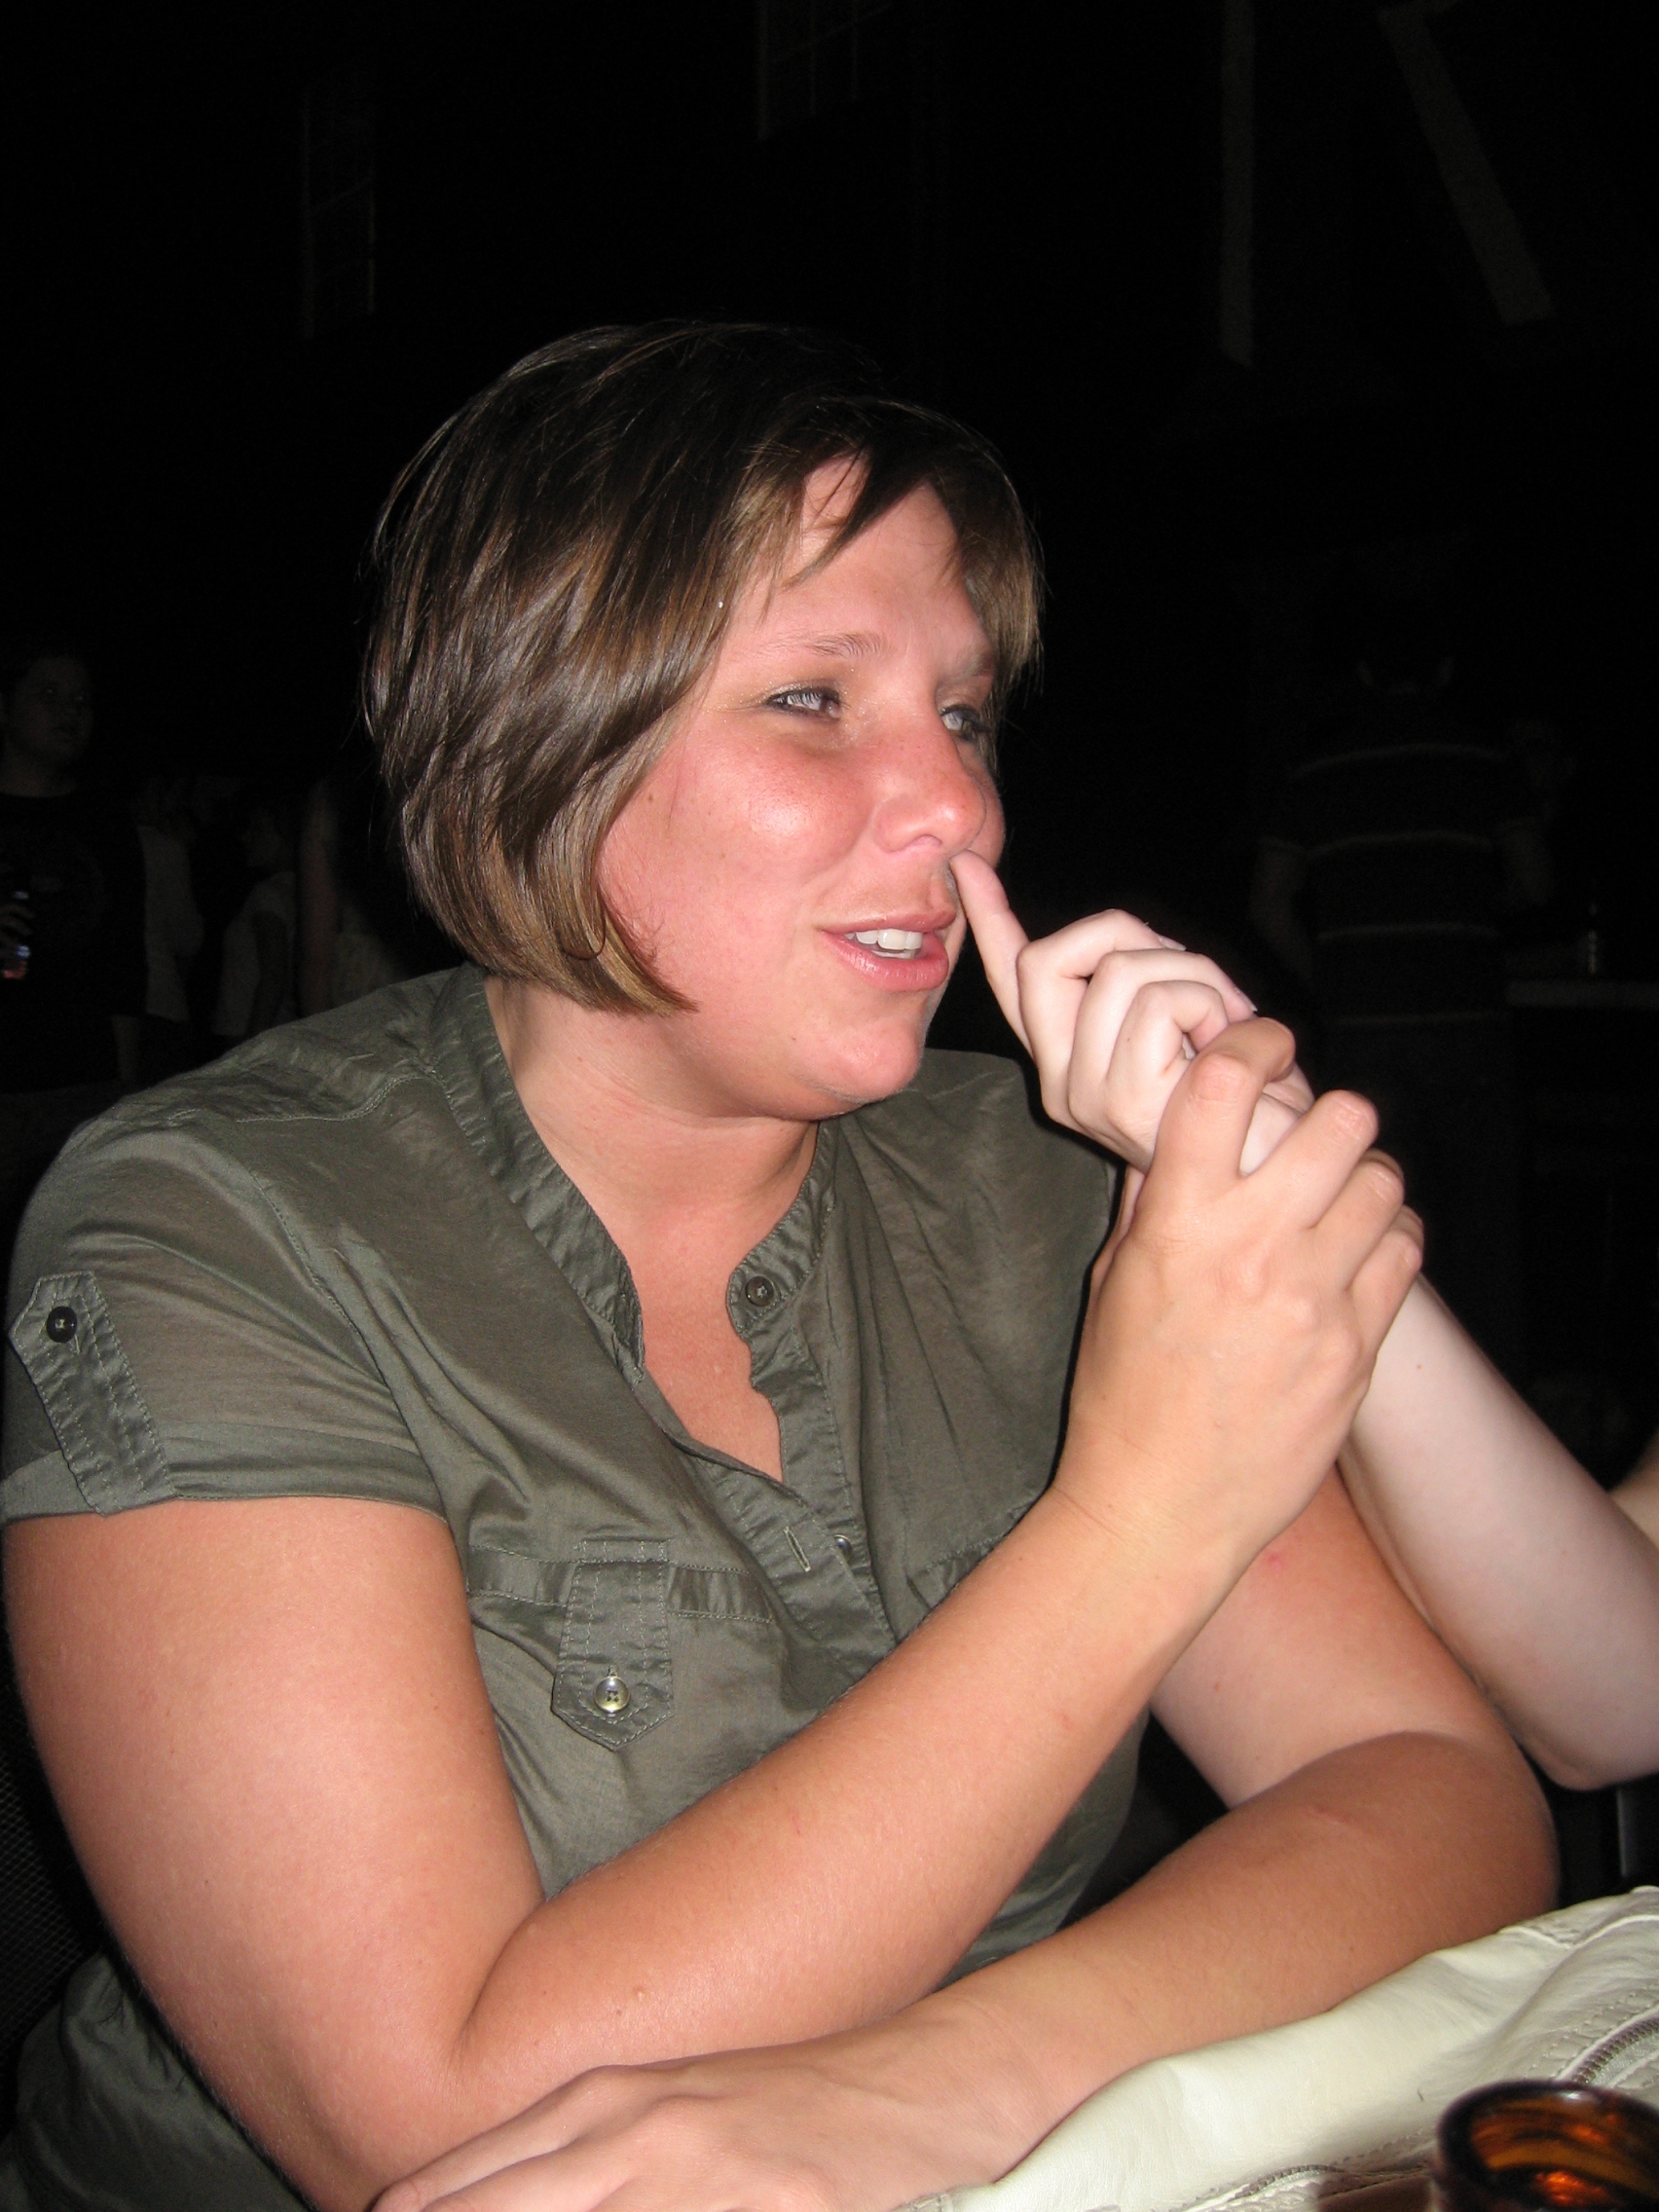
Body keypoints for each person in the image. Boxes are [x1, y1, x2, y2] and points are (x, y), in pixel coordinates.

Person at [1, 327, 1549, 2212]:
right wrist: (1140, 1519)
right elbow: (438, 2127)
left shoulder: (1042, 1183)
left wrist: (936, 2092)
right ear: (533, 746)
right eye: (815, 699)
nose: (959, 808)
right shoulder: (212, 1223)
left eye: (962, 713)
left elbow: (1432, 1786)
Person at [1249, 605, 1550, 1377]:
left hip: (1366, 1035)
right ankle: (1501, 1404)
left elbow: (1269, 904)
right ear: (1443, 670)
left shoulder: (1320, 770)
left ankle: (1379, 1404)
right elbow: (1535, 881)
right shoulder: (1483, 757)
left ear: (1363, 673)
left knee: (1375, 1230)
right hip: (1467, 1027)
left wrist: (1332, 978)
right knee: (1485, 1240)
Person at [0, 642, 145, 1270]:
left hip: (81, 1081)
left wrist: (127, 1090)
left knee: (62, 1262)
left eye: (82, 700)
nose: (70, 712)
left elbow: (125, 962)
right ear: (5, 708)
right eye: (50, 695)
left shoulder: (105, 823)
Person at [211, 790, 300, 1044]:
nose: (247, 838)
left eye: (259, 830)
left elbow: (273, 974)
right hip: (278, 1029)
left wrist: (251, 1045)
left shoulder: (267, 894)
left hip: (244, 1031)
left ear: (285, 837)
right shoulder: (298, 894)